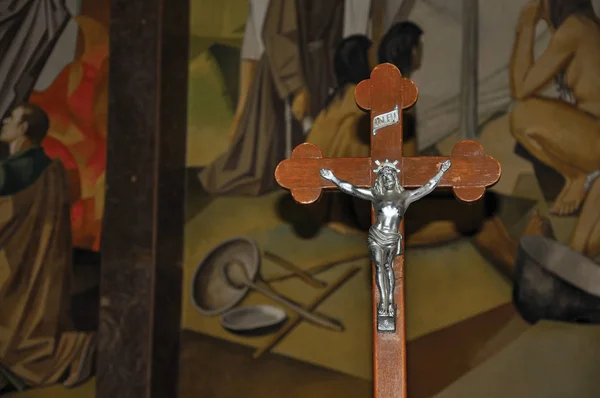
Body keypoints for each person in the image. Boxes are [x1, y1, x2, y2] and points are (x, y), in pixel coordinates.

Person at [0, 103, 95, 392]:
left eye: (11, 118)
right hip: (32, 261)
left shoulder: (13, 171)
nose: (4, 121)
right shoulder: (47, 165)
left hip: (13, 260)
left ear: (24, 128)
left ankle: (73, 350)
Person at [509, 0, 600, 217]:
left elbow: (520, 88)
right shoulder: (585, 25)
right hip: (592, 129)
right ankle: (580, 176)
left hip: (595, 136)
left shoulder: (574, 29)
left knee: (522, 115)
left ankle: (578, 176)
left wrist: (527, 27)